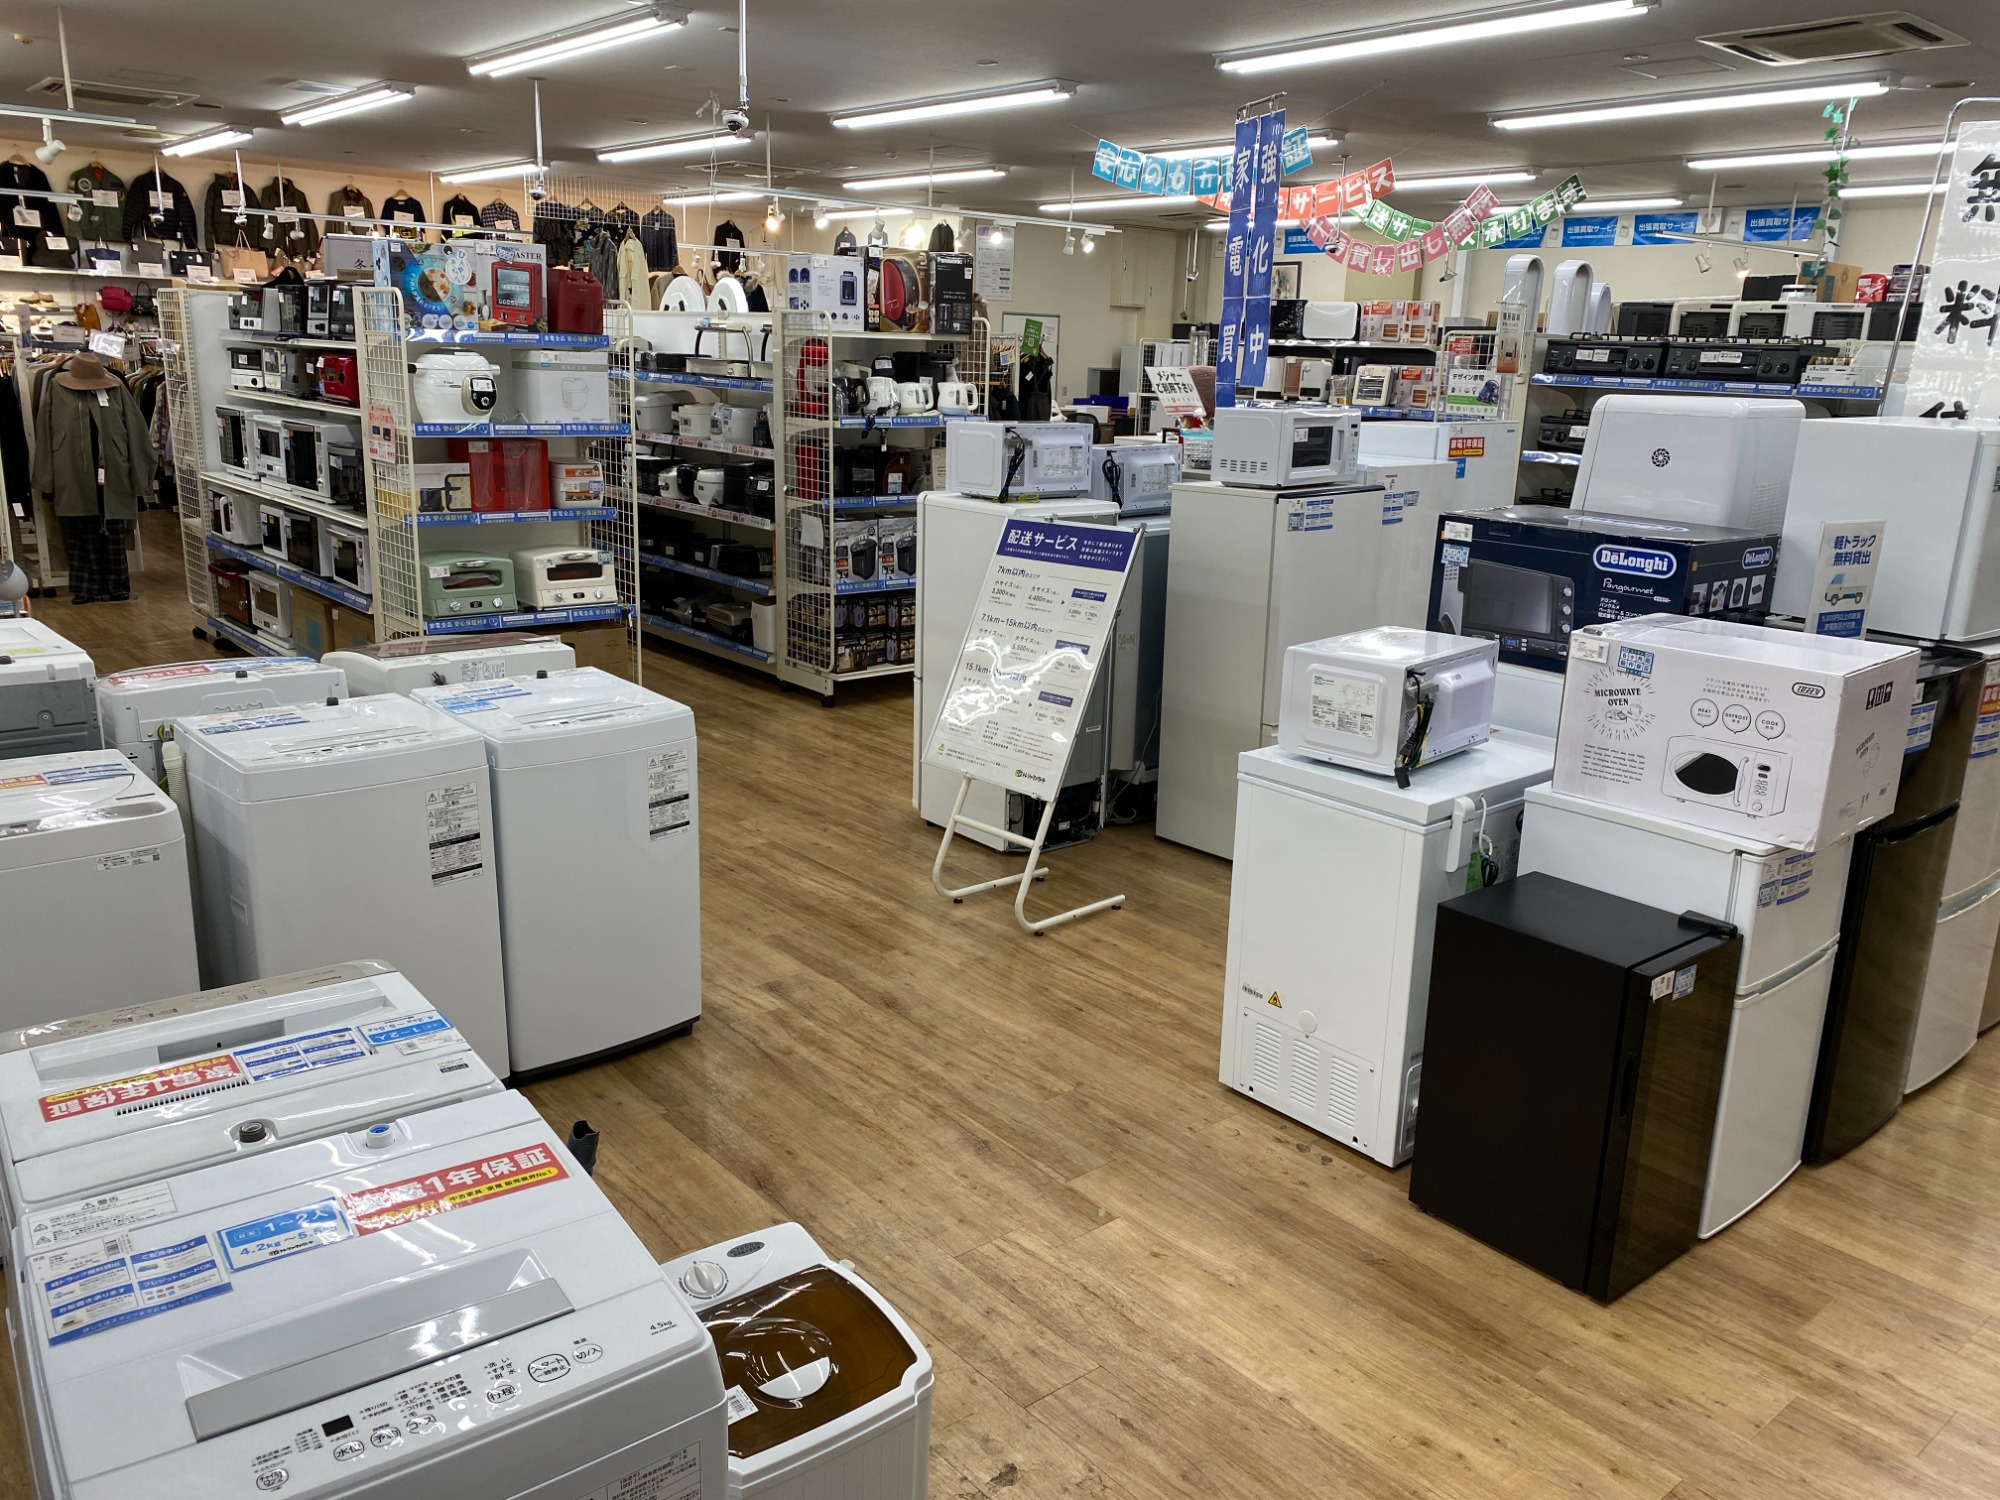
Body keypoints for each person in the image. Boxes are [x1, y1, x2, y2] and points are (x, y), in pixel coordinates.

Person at [31, 354, 155, 604]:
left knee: (113, 526)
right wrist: (45, 477)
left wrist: (141, 474)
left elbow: (135, 428)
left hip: (113, 469)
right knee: (79, 526)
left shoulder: (116, 387)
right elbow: (44, 430)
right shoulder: (56, 387)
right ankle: (86, 587)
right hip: (71, 469)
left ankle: (117, 586)